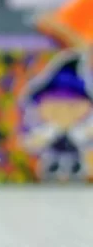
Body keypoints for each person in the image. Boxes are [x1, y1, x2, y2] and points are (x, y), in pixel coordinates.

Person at [21, 51, 93, 181]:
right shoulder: (47, 129)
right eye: (55, 109)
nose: (64, 112)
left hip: (75, 163)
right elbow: (30, 142)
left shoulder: (79, 131)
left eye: (72, 107)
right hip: (51, 161)